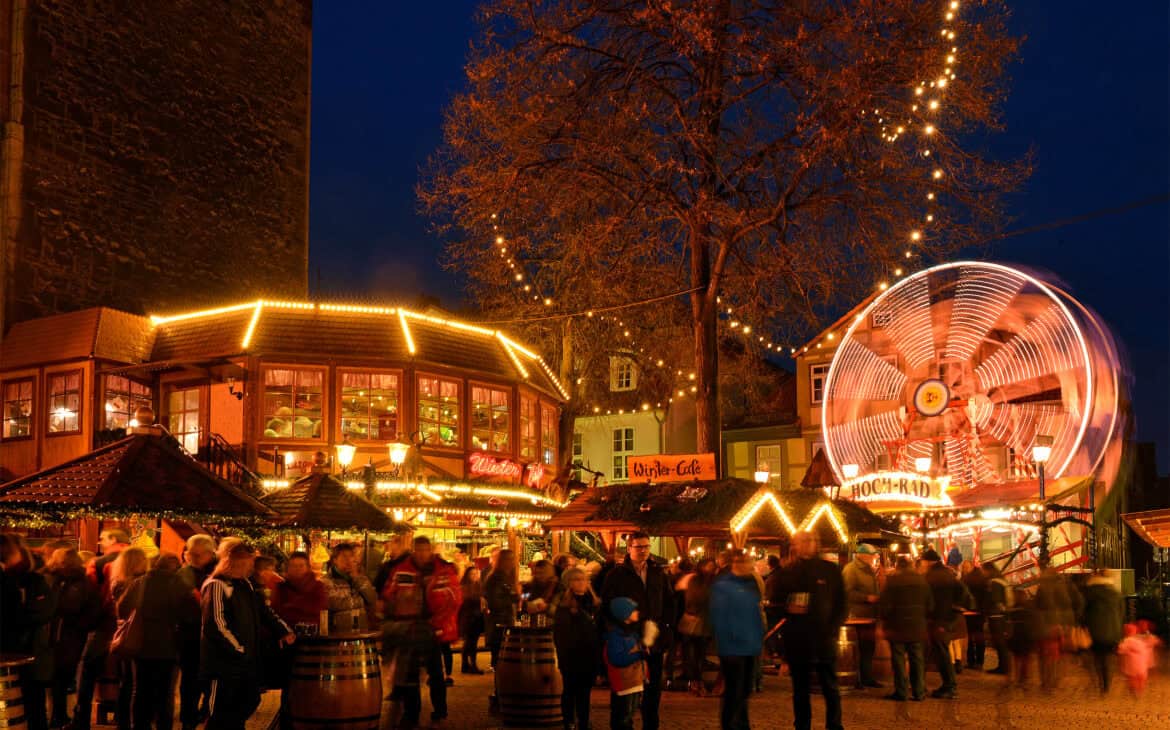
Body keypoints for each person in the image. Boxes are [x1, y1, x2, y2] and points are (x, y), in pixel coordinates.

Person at [200, 538, 294, 730]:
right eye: (249, 561)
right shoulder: (217, 585)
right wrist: (238, 649)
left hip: (245, 661)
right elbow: (216, 624)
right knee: (221, 712)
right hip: (224, 664)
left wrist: (283, 630)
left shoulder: (245, 584)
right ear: (236, 561)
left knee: (247, 702)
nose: (252, 565)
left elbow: (262, 610)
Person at [379, 535, 460, 729]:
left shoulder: (444, 570)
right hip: (410, 628)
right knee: (410, 674)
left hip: (432, 629)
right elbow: (389, 593)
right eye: (418, 549)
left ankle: (440, 711)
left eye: (425, 549)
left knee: (436, 672)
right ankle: (411, 714)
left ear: (431, 550)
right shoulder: (402, 569)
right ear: (414, 550)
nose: (422, 553)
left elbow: (454, 598)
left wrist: (438, 622)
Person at [772, 531, 847, 730]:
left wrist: (833, 629)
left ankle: (834, 725)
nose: (809, 544)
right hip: (798, 639)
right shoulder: (787, 572)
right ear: (795, 545)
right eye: (804, 541)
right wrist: (786, 609)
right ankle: (802, 725)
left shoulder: (830, 570)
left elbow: (841, 603)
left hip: (824, 638)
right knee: (800, 689)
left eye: (812, 540)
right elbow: (775, 604)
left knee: (830, 686)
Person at [116, 552, 199, 730]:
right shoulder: (179, 585)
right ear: (175, 567)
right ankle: (163, 725)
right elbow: (191, 615)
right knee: (165, 693)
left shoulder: (140, 582)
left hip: (141, 643)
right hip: (169, 645)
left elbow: (122, 608)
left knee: (140, 690)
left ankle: (139, 725)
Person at [600, 532, 674, 730]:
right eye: (638, 547)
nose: (643, 551)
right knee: (625, 692)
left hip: (654, 638)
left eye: (646, 547)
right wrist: (623, 631)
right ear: (629, 548)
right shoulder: (616, 575)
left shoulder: (658, 573)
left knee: (652, 690)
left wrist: (665, 630)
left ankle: (651, 725)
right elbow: (607, 606)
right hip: (628, 640)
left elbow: (669, 602)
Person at [69, 528, 130, 730]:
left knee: (87, 670)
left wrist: (86, 623)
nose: (100, 542)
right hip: (130, 627)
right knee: (126, 675)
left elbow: (90, 594)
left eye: (103, 538)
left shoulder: (99, 563)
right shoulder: (140, 561)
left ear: (114, 539)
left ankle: (81, 719)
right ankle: (124, 719)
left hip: (104, 625)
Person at [44, 548, 101, 729]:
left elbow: (71, 606)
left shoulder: (73, 582)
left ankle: (58, 716)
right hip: (64, 635)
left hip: (67, 635)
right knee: (58, 678)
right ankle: (58, 715)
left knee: (60, 677)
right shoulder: (63, 579)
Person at [2, 535, 53, 730]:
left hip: (29, 652)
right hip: (16, 651)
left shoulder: (33, 580)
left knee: (32, 705)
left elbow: (41, 613)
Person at [709, 549, 764, 730]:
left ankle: (742, 723)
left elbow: (755, 611)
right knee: (734, 692)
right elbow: (720, 617)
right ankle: (730, 725)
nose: (750, 565)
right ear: (737, 564)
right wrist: (730, 639)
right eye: (747, 562)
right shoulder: (723, 585)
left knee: (745, 690)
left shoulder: (750, 583)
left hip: (750, 646)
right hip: (733, 648)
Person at [176, 534, 216, 730]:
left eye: (197, 555)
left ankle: (203, 713)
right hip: (189, 634)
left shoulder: (216, 574)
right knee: (190, 679)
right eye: (190, 554)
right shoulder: (184, 573)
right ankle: (189, 718)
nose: (192, 558)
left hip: (208, 635)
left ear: (209, 554)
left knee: (206, 678)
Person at [552, 566, 600, 730]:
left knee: (585, 692)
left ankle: (584, 721)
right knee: (570, 690)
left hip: (590, 654)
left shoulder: (593, 602)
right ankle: (569, 721)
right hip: (572, 656)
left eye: (585, 579)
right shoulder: (565, 606)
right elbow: (562, 634)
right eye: (578, 579)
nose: (582, 583)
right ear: (569, 583)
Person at [879, 555, 932, 701]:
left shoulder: (893, 581)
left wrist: (884, 619)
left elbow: (885, 605)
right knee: (917, 659)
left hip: (897, 626)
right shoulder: (922, 581)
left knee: (898, 659)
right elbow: (930, 604)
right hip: (917, 626)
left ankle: (901, 692)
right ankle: (919, 691)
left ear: (898, 566)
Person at [920, 547, 967, 699]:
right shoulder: (947, 573)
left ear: (927, 562)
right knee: (941, 651)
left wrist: (938, 618)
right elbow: (962, 591)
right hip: (947, 618)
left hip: (939, 620)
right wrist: (955, 607)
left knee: (941, 653)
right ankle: (946, 685)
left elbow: (932, 601)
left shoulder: (933, 576)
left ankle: (949, 686)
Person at [841, 543, 883, 688]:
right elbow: (846, 592)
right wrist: (866, 598)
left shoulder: (868, 569)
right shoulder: (851, 569)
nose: (874, 558)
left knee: (868, 647)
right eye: (873, 555)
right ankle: (857, 678)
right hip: (857, 616)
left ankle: (867, 677)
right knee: (858, 649)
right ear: (863, 555)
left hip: (869, 615)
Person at [1034, 565, 1081, 690]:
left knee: (1044, 654)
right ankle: (1055, 679)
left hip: (1046, 625)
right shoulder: (1063, 586)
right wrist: (1070, 622)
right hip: (1062, 626)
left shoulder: (1042, 588)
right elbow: (1075, 603)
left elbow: (1036, 607)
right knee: (1059, 653)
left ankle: (1045, 681)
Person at [604, 597, 646, 730]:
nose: (637, 612)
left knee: (629, 715)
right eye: (633, 610)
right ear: (624, 614)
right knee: (623, 717)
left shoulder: (632, 633)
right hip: (624, 684)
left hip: (634, 682)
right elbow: (616, 659)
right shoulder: (616, 636)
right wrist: (639, 654)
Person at [677, 558, 715, 695]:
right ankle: (695, 681)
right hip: (694, 620)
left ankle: (697, 681)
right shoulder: (696, 581)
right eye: (708, 566)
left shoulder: (711, 582)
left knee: (699, 654)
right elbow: (692, 599)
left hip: (703, 622)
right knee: (692, 654)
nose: (710, 569)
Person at [1082, 568, 1123, 693]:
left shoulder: (1090, 592)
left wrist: (1084, 625)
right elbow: (1121, 613)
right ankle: (1106, 683)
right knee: (1106, 658)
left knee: (1097, 658)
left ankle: (1100, 681)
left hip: (1095, 630)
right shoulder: (1115, 593)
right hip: (1112, 631)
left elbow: (1084, 612)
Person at [320, 542, 377, 631]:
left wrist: (357, 577)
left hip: (361, 631)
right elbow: (334, 604)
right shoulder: (326, 580)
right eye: (344, 556)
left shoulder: (360, 578)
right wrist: (362, 602)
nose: (348, 560)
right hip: (339, 633)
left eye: (350, 556)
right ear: (335, 560)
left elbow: (372, 598)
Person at [483, 549, 520, 677]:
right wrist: (513, 598)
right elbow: (495, 603)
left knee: (504, 655)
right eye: (507, 559)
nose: (511, 562)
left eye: (512, 559)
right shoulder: (496, 578)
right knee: (499, 655)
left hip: (505, 620)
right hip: (499, 622)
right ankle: (499, 689)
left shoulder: (506, 577)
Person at [270, 551, 328, 627]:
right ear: (288, 568)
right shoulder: (281, 587)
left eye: (301, 566)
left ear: (308, 568)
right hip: (286, 631)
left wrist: (290, 606)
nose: (297, 569)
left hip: (312, 632)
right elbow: (276, 611)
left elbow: (318, 609)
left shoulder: (317, 586)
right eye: (293, 566)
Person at [982, 563, 1012, 674]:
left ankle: (1003, 667)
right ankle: (1005, 666)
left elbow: (995, 599)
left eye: (984, 570)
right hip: (1003, 616)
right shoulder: (1002, 580)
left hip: (995, 616)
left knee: (999, 643)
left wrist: (987, 609)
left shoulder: (993, 582)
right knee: (1002, 643)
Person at [960, 560, 988, 671]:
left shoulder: (966, 580)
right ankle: (976, 661)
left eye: (966, 567)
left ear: (971, 567)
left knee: (974, 637)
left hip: (971, 612)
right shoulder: (981, 578)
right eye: (964, 567)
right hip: (976, 612)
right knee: (975, 637)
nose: (965, 569)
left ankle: (975, 661)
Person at [457, 566, 485, 674]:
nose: (474, 576)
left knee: (472, 642)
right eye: (472, 574)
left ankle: (468, 664)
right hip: (468, 618)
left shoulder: (478, 586)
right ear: (467, 575)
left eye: (476, 574)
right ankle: (470, 664)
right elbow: (466, 600)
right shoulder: (465, 587)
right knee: (470, 642)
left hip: (476, 618)